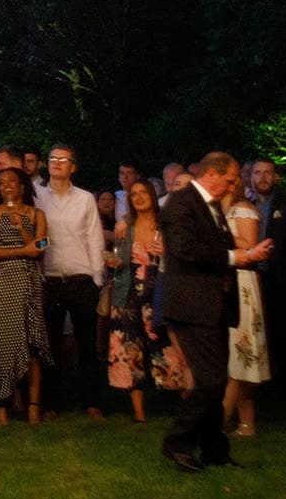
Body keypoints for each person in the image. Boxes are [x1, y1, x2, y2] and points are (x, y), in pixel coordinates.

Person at [159, 153, 268, 472]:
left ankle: (214, 450)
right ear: (213, 175)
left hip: (213, 303)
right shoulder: (181, 203)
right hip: (191, 304)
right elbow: (185, 250)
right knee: (211, 379)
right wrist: (234, 257)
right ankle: (177, 441)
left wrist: (248, 254)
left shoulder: (211, 207)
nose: (235, 186)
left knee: (217, 380)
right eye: (232, 179)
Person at [37, 145, 108, 419]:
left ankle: (92, 401)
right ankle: (52, 403)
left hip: (80, 278)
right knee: (51, 344)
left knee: (87, 344)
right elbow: (39, 236)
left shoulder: (85, 199)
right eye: (53, 159)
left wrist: (97, 278)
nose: (56, 163)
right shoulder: (39, 197)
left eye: (62, 160)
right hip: (51, 278)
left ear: (73, 167)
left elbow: (93, 238)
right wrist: (41, 247)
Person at [0, 166, 51, 424]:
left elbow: (42, 245)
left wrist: (22, 230)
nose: (7, 185)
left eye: (12, 181)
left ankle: (33, 407)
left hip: (30, 281)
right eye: (1, 183)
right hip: (3, 281)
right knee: (2, 342)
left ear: (23, 186)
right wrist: (23, 250)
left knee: (32, 345)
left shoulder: (37, 213)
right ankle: (0, 405)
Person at [106, 178, 183, 422]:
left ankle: (181, 403)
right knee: (129, 348)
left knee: (164, 346)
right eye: (134, 194)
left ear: (153, 195)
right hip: (127, 294)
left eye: (143, 193)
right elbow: (122, 261)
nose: (138, 197)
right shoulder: (125, 226)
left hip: (158, 290)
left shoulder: (166, 224)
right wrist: (114, 261)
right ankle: (139, 413)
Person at [242, 158, 286, 401]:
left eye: (268, 173)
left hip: (279, 279)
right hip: (251, 277)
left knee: (281, 335)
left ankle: (285, 390)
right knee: (256, 333)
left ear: (275, 176)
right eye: (258, 173)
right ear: (251, 176)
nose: (263, 178)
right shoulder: (244, 204)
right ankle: (260, 388)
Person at [221, 181, 271, 437]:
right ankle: (246, 424)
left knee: (239, 355)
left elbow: (251, 245)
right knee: (233, 357)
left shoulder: (242, 209)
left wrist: (220, 238)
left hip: (241, 282)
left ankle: (219, 424)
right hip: (223, 282)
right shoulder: (216, 212)